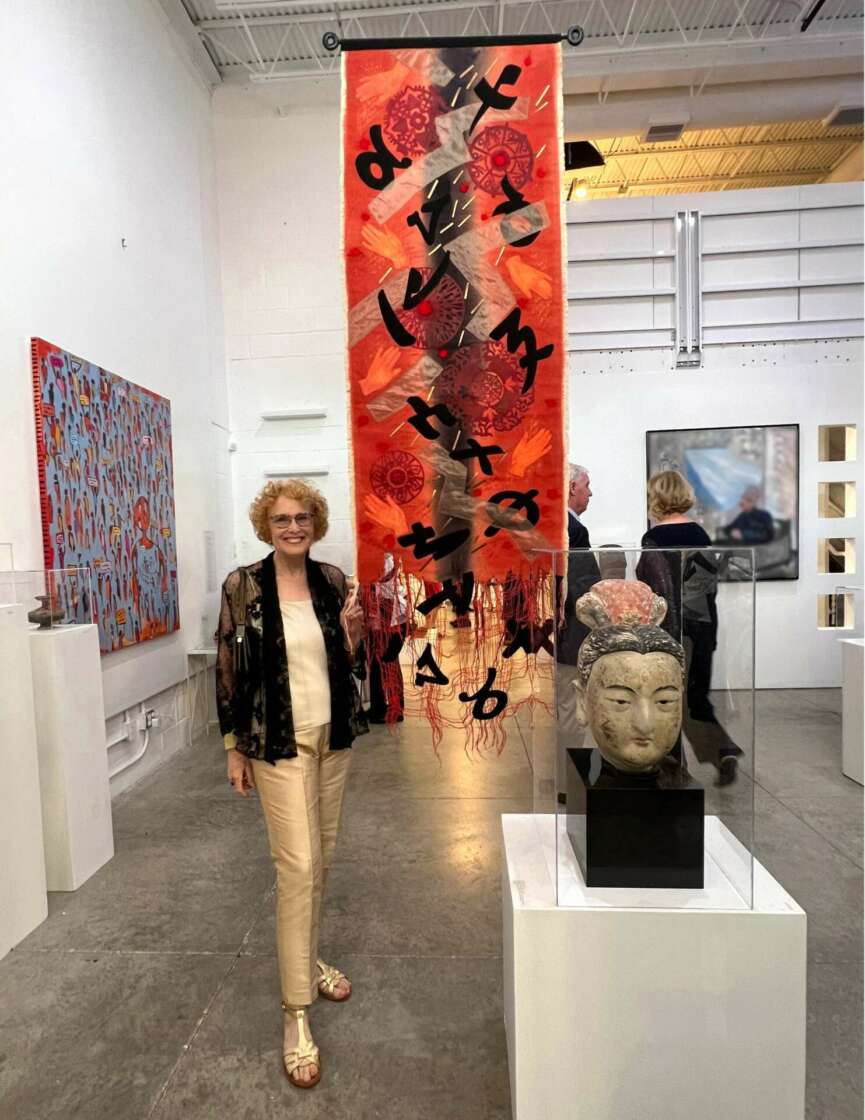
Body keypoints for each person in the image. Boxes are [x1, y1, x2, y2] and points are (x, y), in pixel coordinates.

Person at [216, 479, 367, 1089]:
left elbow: (348, 662)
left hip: (333, 737)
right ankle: (295, 1012)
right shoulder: (243, 585)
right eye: (282, 518)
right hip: (276, 740)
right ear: (266, 526)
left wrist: (355, 632)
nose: (293, 527)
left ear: (316, 523)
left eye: (303, 517)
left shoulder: (331, 581)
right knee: (298, 867)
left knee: (321, 859)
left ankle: (309, 957)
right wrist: (233, 747)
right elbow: (229, 667)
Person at [637, 470, 741, 784]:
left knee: (666, 699)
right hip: (704, 627)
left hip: (671, 629)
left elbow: (656, 589)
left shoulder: (654, 539)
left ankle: (672, 767)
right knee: (695, 697)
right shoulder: (700, 534)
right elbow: (709, 589)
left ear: (657, 497)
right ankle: (722, 751)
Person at [556, 464, 601, 792]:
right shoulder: (574, 531)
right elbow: (583, 590)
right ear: (572, 487)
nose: (590, 493)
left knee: (567, 707)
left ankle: (567, 779)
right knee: (572, 708)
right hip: (573, 633)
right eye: (586, 486)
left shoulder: (556, 526)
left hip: (561, 633)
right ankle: (571, 782)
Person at [367, 552, 409, 722]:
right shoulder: (385, 557)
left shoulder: (384, 559)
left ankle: (390, 707)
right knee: (384, 661)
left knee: (383, 661)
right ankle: (387, 706)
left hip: (387, 616)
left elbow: (383, 586)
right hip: (386, 615)